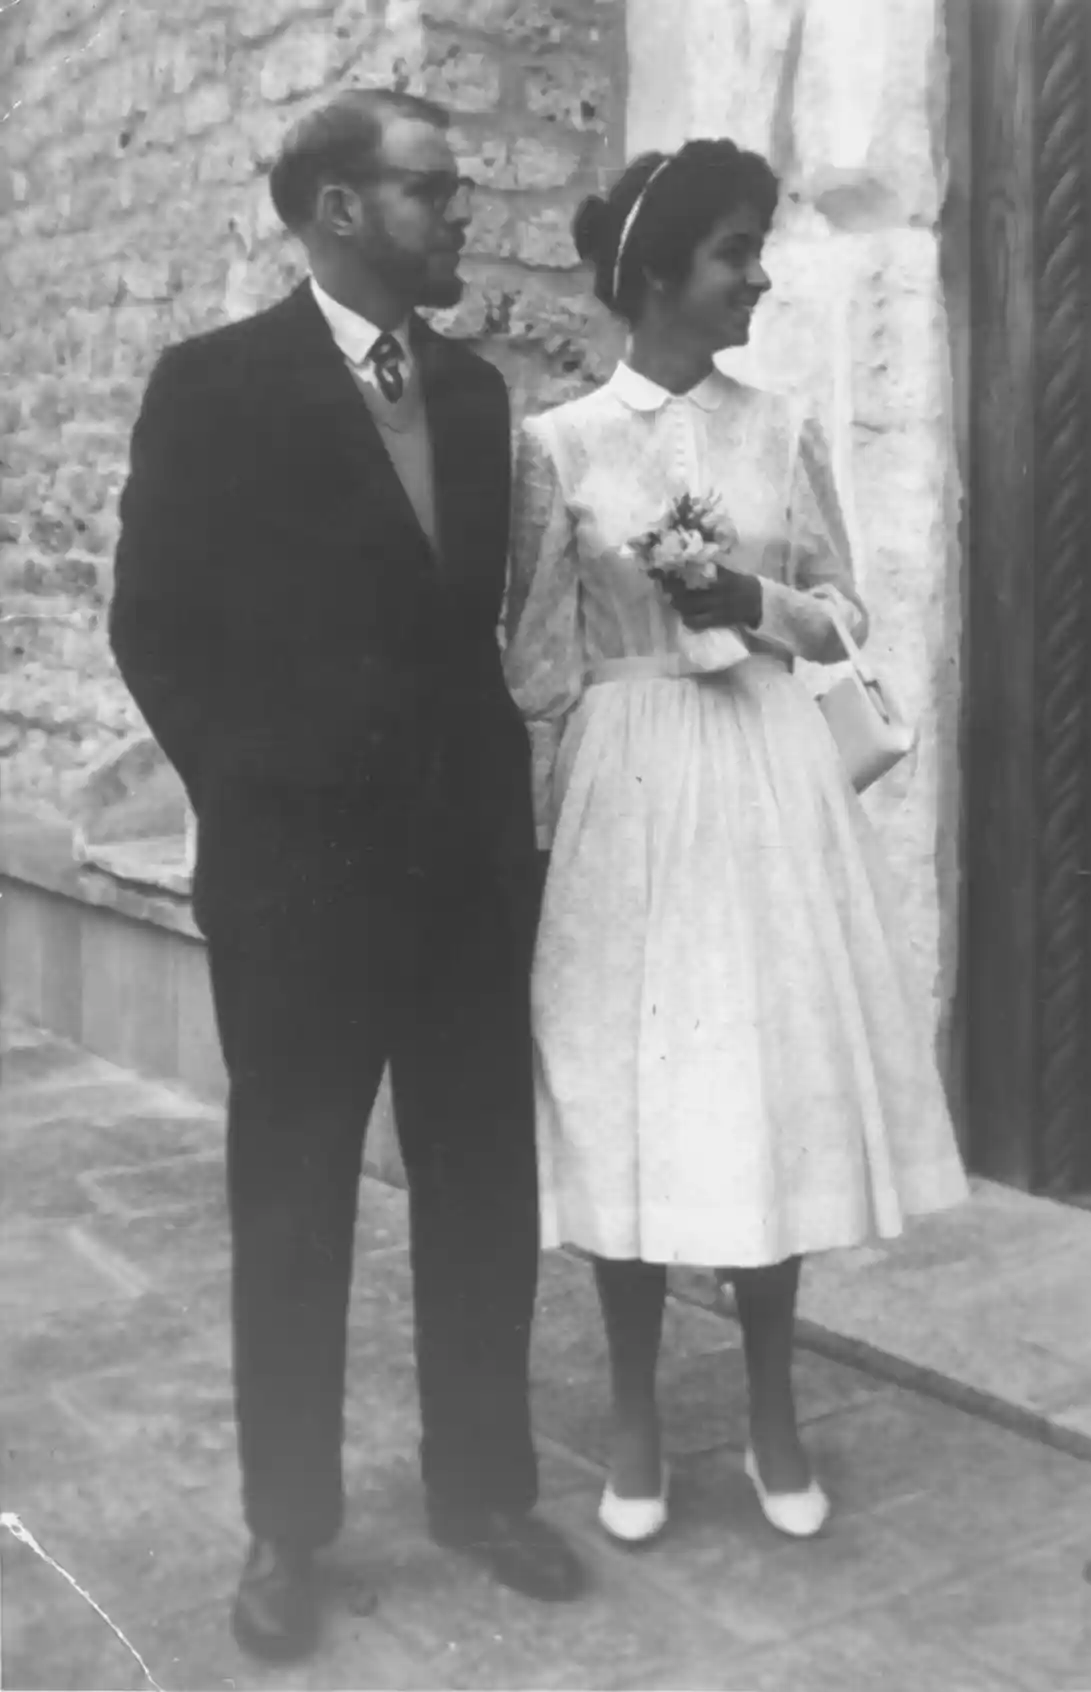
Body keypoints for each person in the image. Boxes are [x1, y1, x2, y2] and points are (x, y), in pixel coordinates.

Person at [109, 88, 583, 1662]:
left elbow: (472, 635)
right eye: (433, 190)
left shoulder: (472, 394)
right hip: (297, 887)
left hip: (462, 877)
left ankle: (483, 1492)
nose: (463, 216)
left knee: (483, 1189)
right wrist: (259, 798)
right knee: (294, 1201)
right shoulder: (214, 387)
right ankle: (286, 1528)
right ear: (336, 207)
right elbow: (154, 626)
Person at [503, 140, 969, 1546]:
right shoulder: (561, 446)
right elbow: (539, 667)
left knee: (767, 1088)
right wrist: (539, 842)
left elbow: (843, 616)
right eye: (734, 255)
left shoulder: (780, 430)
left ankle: (772, 1410)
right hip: (628, 794)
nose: (758, 278)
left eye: (759, 250)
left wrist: (748, 600)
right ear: (658, 275)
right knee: (627, 1095)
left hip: (764, 784)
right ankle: (634, 1417)